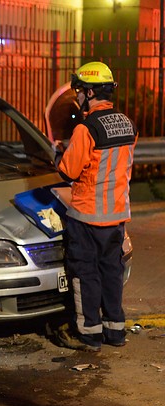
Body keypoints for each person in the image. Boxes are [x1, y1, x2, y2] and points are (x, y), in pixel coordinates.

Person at [55, 61, 138, 352]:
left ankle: (88, 334)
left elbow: (69, 171)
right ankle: (115, 331)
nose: (77, 96)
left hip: (87, 216)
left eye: (79, 91)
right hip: (116, 216)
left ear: (90, 93)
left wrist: (58, 154)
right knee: (111, 273)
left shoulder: (86, 128)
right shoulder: (128, 124)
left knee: (85, 274)